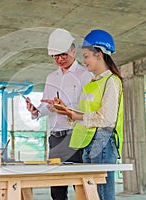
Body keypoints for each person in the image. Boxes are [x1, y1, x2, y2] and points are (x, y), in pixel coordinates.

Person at [54, 29, 123, 200]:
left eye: (86, 56)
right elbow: (87, 114)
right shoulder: (91, 83)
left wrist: (78, 117)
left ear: (99, 54)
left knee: (102, 195)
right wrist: (68, 112)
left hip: (103, 143)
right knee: (89, 194)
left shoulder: (111, 81)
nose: (83, 61)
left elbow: (106, 118)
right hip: (88, 142)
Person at [25, 28, 92, 200]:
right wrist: (37, 111)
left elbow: (89, 111)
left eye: (63, 55)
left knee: (80, 186)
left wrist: (66, 109)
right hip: (55, 138)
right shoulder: (51, 77)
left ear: (73, 51)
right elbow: (47, 103)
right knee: (56, 188)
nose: (59, 59)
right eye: (55, 56)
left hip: (76, 137)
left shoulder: (85, 76)